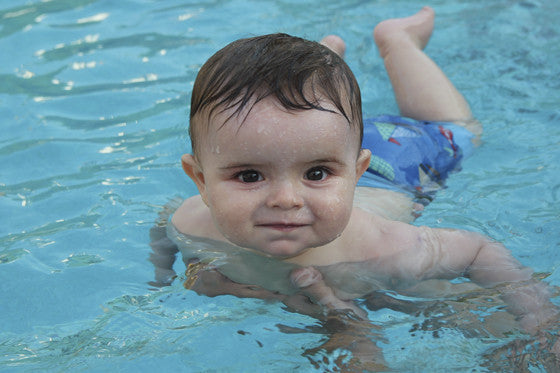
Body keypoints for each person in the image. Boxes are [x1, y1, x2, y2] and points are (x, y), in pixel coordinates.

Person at [150, 6, 559, 369]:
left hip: (401, 163)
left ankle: (398, 42)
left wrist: (539, 317)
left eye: (316, 175)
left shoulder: (382, 249)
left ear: (355, 171)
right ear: (200, 181)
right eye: (249, 176)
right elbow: (164, 222)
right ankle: (322, 70)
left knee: (457, 130)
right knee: (314, 116)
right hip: (325, 138)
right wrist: (162, 276)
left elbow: (477, 249)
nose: (286, 200)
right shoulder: (189, 220)